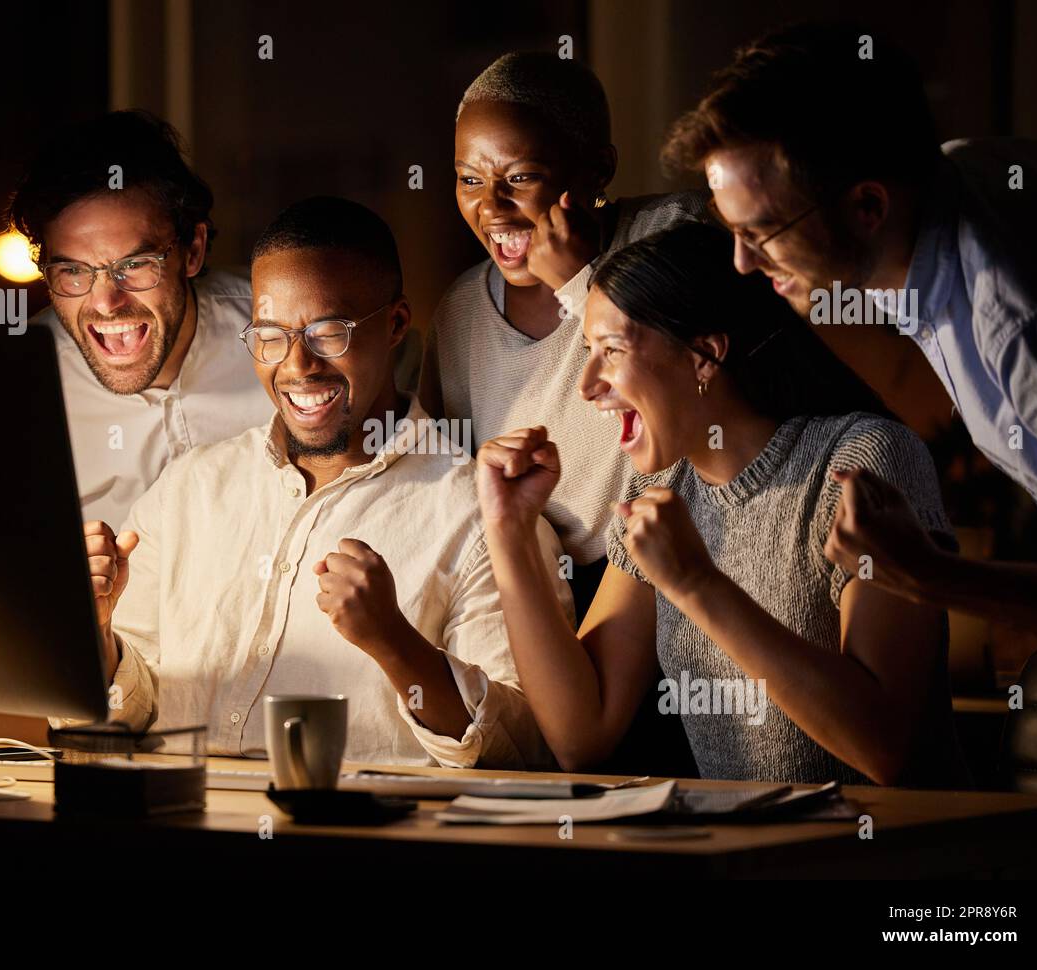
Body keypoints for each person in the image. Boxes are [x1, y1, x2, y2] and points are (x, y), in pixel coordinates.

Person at [79, 197, 566, 767]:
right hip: (180, 828)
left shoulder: (482, 515)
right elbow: (125, 715)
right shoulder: (188, 489)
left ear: (396, 325)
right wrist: (98, 632)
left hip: (356, 846)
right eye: (270, 335)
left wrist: (395, 643)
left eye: (328, 332)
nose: (297, 365)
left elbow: (523, 749)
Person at [476, 223, 968, 786]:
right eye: (588, 351)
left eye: (611, 351)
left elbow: (886, 749)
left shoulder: (863, 460)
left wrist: (697, 584)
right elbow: (580, 735)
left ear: (705, 356)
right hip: (742, 856)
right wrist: (509, 531)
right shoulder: (660, 490)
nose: (588, 385)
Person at [662, 22, 1037, 641]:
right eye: (730, 228)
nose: (742, 261)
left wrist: (927, 575)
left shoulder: (1016, 320)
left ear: (868, 207)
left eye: (762, 232)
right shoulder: (956, 178)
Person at [420, 51, 706, 613]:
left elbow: (681, 386)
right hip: (524, 586)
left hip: (669, 573)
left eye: (521, 177)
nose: (491, 208)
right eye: (469, 180)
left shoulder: (673, 232)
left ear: (598, 169)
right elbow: (444, 483)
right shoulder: (461, 312)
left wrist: (579, 280)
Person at [7, 110, 272, 529]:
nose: (106, 303)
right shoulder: (17, 384)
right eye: (73, 271)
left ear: (193, 250)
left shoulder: (284, 330)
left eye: (134, 264)